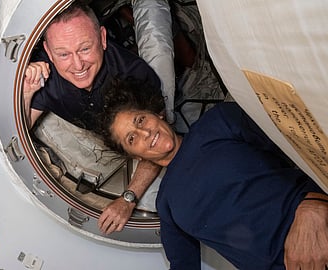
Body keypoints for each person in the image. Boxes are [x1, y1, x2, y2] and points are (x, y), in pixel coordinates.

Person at [97, 81, 328, 269]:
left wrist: (314, 204)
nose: (145, 133)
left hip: (314, 223)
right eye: (132, 138)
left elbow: (303, 145)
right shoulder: (166, 203)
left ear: (157, 114)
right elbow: (182, 265)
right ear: (135, 156)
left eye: (140, 120)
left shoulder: (218, 122)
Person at [23, 2, 165, 234]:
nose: (77, 64)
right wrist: (27, 92)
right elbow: (20, 129)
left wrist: (128, 199)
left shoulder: (135, 76)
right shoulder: (44, 73)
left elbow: (159, 144)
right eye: (63, 54)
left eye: (85, 49)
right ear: (48, 52)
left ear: (102, 38)